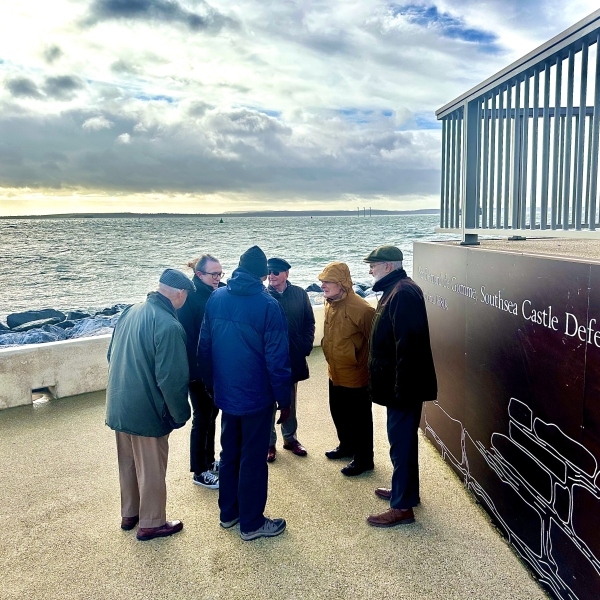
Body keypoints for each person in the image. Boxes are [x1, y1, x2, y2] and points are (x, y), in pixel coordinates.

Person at [198, 245, 292, 541]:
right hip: (256, 398)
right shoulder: (268, 305)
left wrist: (211, 386)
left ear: (237, 268)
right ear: (263, 274)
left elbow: (204, 347)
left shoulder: (216, 297)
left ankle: (229, 513)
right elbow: (277, 360)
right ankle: (251, 523)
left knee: (230, 454)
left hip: (226, 394)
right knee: (253, 458)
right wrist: (284, 401)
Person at [105, 269, 194, 541]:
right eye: (186, 296)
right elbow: (172, 379)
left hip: (119, 403)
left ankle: (129, 513)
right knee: (152, 467)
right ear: (180, 294)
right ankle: (152, 522)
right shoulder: (169, 325)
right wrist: (181, 414)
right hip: (148, 410)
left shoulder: (130, 311)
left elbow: (111, 355)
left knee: (128, 462)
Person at [363, 246, 437, 527]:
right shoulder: (396, 289)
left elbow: (409, 345)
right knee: (400, 443)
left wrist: (402, 390)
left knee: (401, 444)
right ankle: (405, 493)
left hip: (403, 389)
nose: (370, 270)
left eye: (374, 265)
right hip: (400, 387)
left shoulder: (402, 292)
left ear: (389, 267)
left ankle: (402, 507)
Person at [318, 262, 375, 476]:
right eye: (321, 281)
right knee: (338, 412)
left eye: (327, 281)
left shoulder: (361, 309)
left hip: (355, 375)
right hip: (335, 371)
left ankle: (364, 460)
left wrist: (366, 370)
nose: (322, 285)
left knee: (359, 419)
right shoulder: (329, 302)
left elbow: (374, 342)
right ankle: (346, 446)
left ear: (341, 283)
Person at [177, 254, 224, 489]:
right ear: (199, 274)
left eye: (220, 273)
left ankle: (210, 461)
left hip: (216, 369)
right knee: (202, 418)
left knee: (212, 416)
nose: (217, 278)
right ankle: (199, 471)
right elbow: (187, 339)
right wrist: (196, 373)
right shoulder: (190, 299)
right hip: (197, 372)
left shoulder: (218, 292)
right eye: (213, 274)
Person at [265, 257, 315, 462]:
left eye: (276, 271)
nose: (272, 275)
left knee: (290, 401)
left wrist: (304, 346)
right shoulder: (261, 296)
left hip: (293, 357)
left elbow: (309, 322)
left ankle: (290, 439)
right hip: (268, 360)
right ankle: (269, 443)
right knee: (268, 402)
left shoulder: (300, 294)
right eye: (269, 271)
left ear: (287, 273)